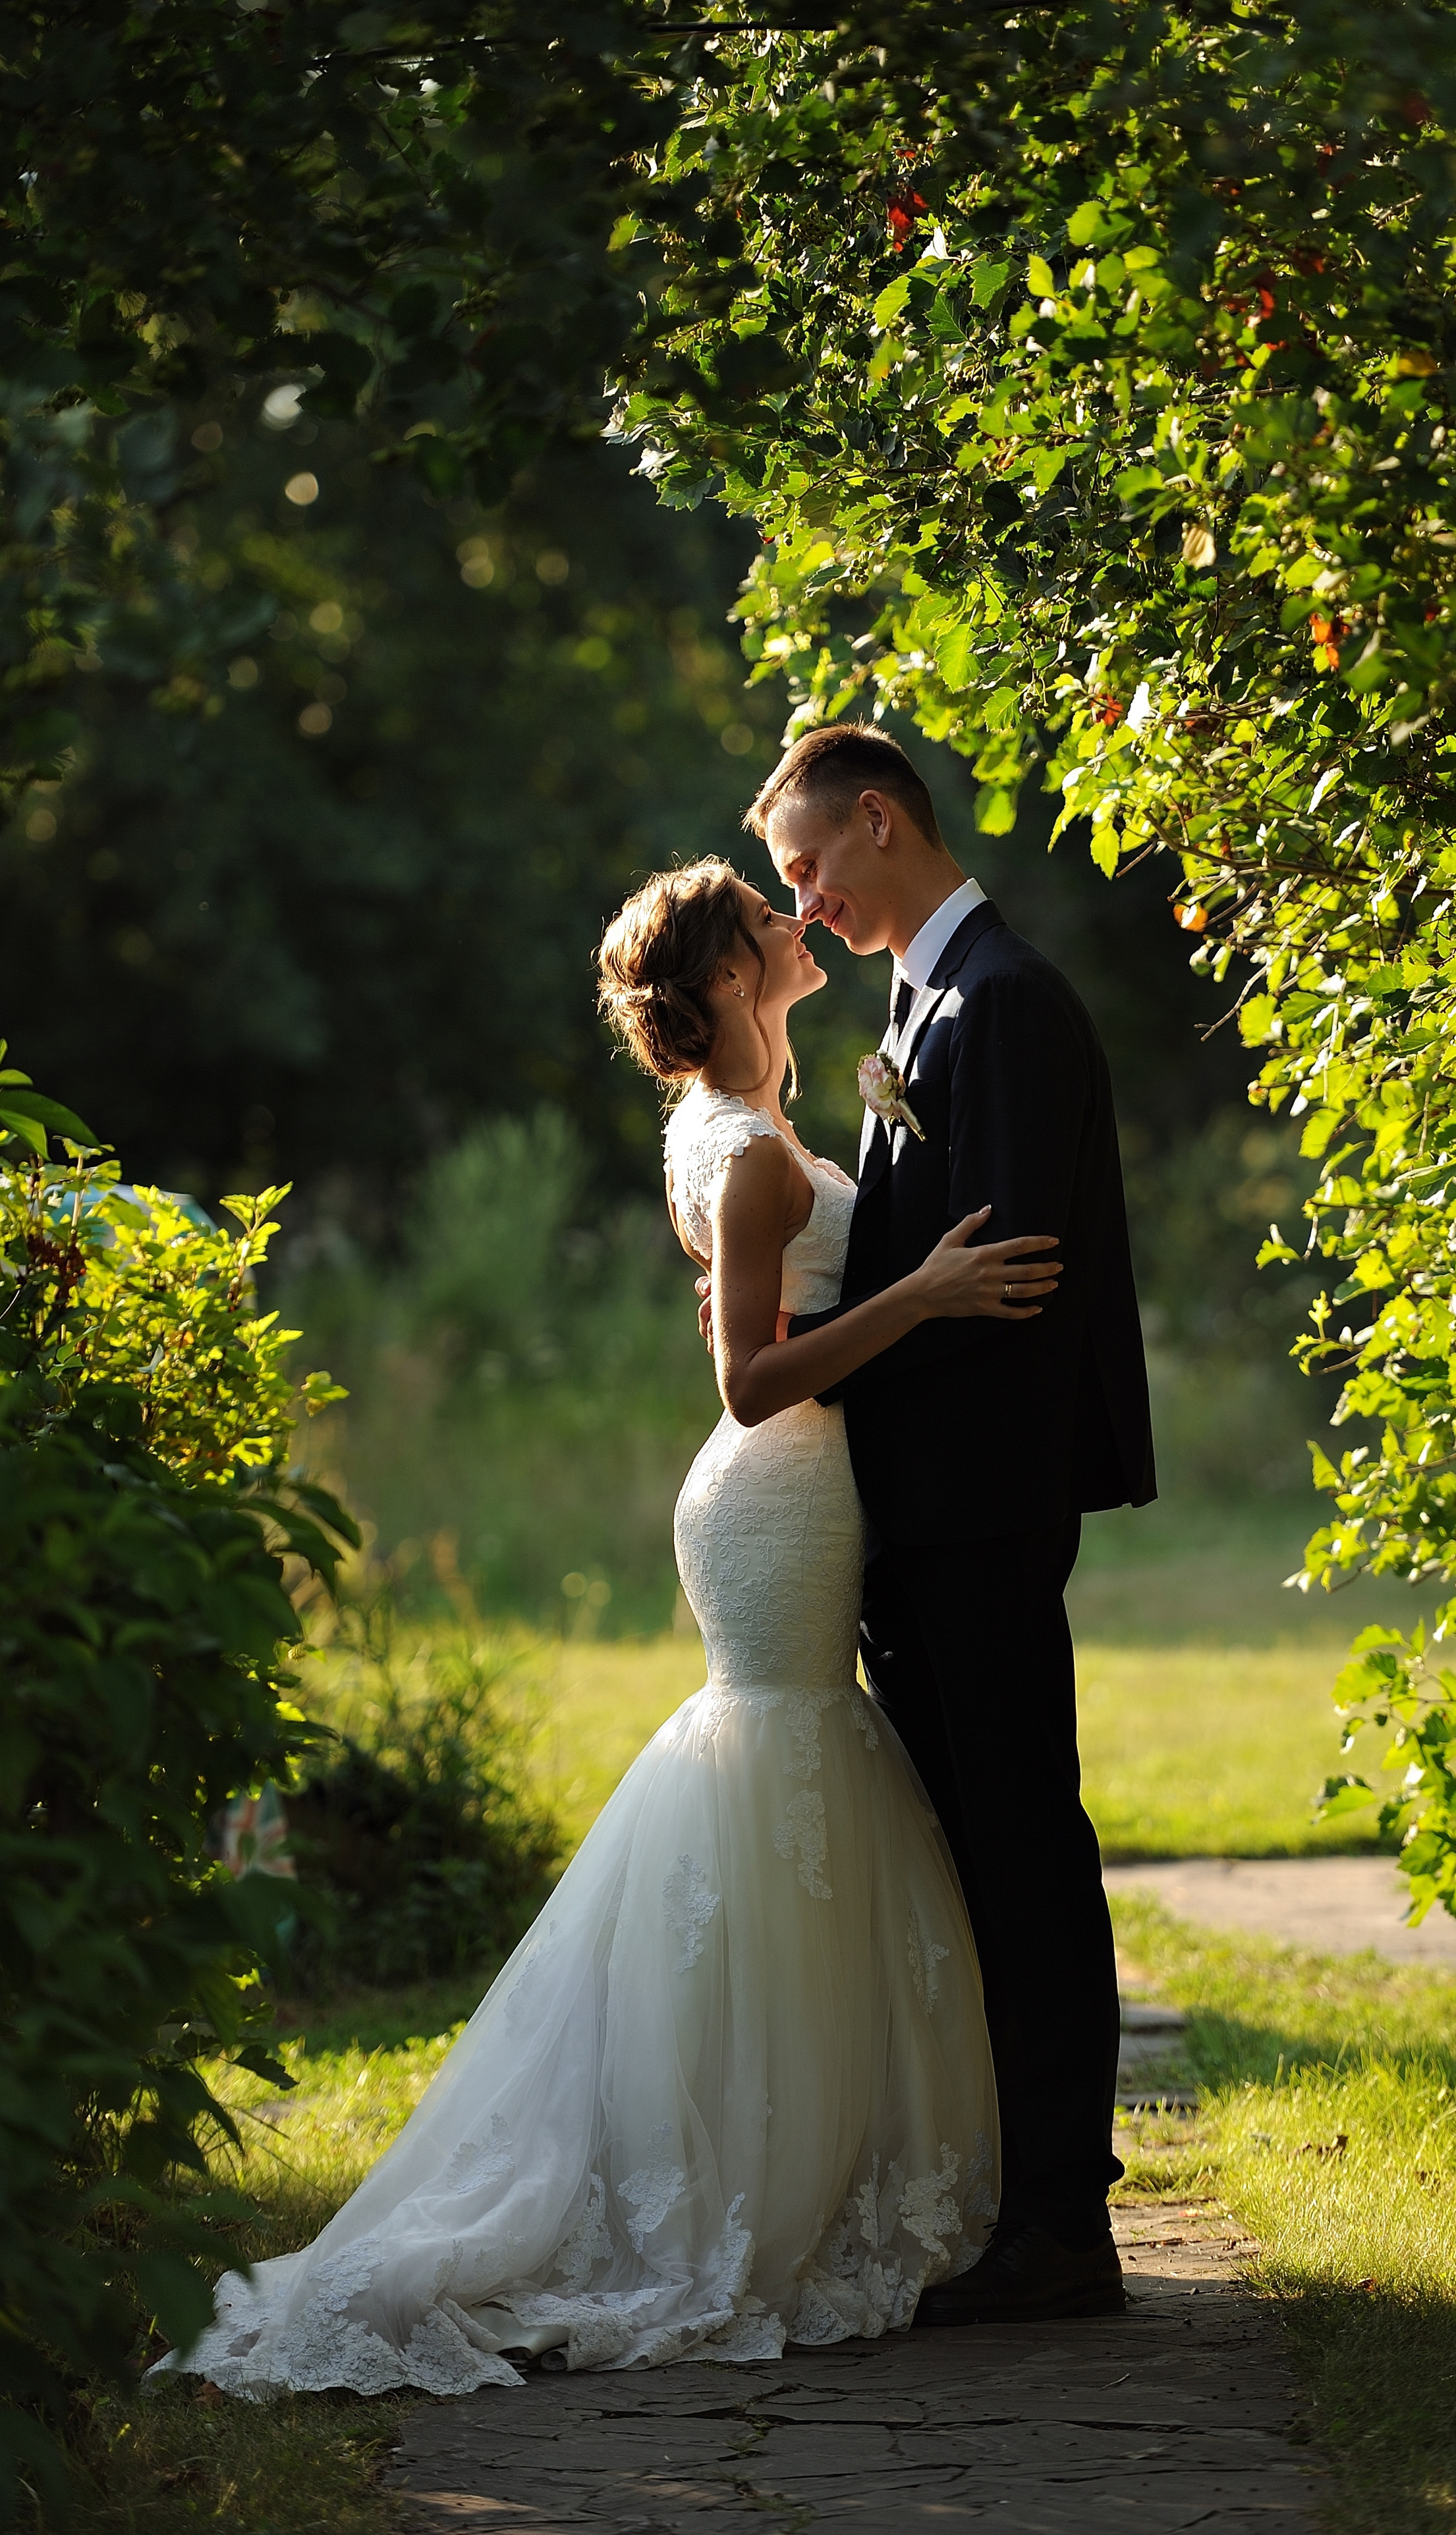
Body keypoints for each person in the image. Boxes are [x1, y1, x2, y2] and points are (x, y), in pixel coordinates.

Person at [153, 856, 1066, 2397]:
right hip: (779, 1486)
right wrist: (931, 1292)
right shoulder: (753, 1156)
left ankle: (784, 2144)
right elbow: (751, 1378)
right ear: (722, 979)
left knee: (790, 1782)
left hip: (784, 1492)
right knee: (783, 1770)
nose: (795, 922)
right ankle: (742, 2180)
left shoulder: (726, 1129)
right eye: (768, 923)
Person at [749, 723, 1155, 2327]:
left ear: (876, 819)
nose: (802, 901)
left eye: (807, 864)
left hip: (979, 1506)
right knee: (968, 1850)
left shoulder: (1007, 1003)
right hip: (915, 1510)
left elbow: (1004, 1288)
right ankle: (1009, 2192)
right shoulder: (927, 1001)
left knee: (1022, 1845)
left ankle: (1065, 2220)